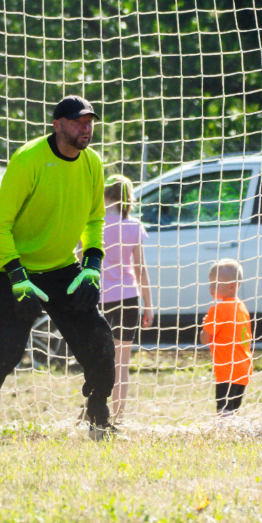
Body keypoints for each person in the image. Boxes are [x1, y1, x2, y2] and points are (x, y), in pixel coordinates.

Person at [0, 95, 117, 442]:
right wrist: (18, 278)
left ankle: (99, 418)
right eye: (77, 122)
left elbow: (94, 219)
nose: (85, 128)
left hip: (61, 268)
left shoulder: (92, 163)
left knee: (99, 339)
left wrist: (91, 266)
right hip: (10, 270)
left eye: (89, 122)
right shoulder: (28, 159)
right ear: (57, 124)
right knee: (4, 349)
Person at [100, 174, 154, 423]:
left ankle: (95, 412)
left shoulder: (92, 226)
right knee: (121, 363)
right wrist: (149, 305)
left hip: (98, 299)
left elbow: (79, 261)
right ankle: (118, 416)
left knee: (98, 361)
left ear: (105, 195)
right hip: (129, 298)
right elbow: (140, 269)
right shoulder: (134, 227)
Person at [201, 259, 253, 415]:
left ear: (232, 286)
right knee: (233, 411)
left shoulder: (219, 309)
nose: (210, 287)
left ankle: (225, 434)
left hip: (227, 369)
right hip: (244, 367)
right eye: (210, 283)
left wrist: (205, 325)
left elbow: (204, 339)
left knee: (224, 411)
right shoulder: (241, 306)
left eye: (215, 284)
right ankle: (231, 433)